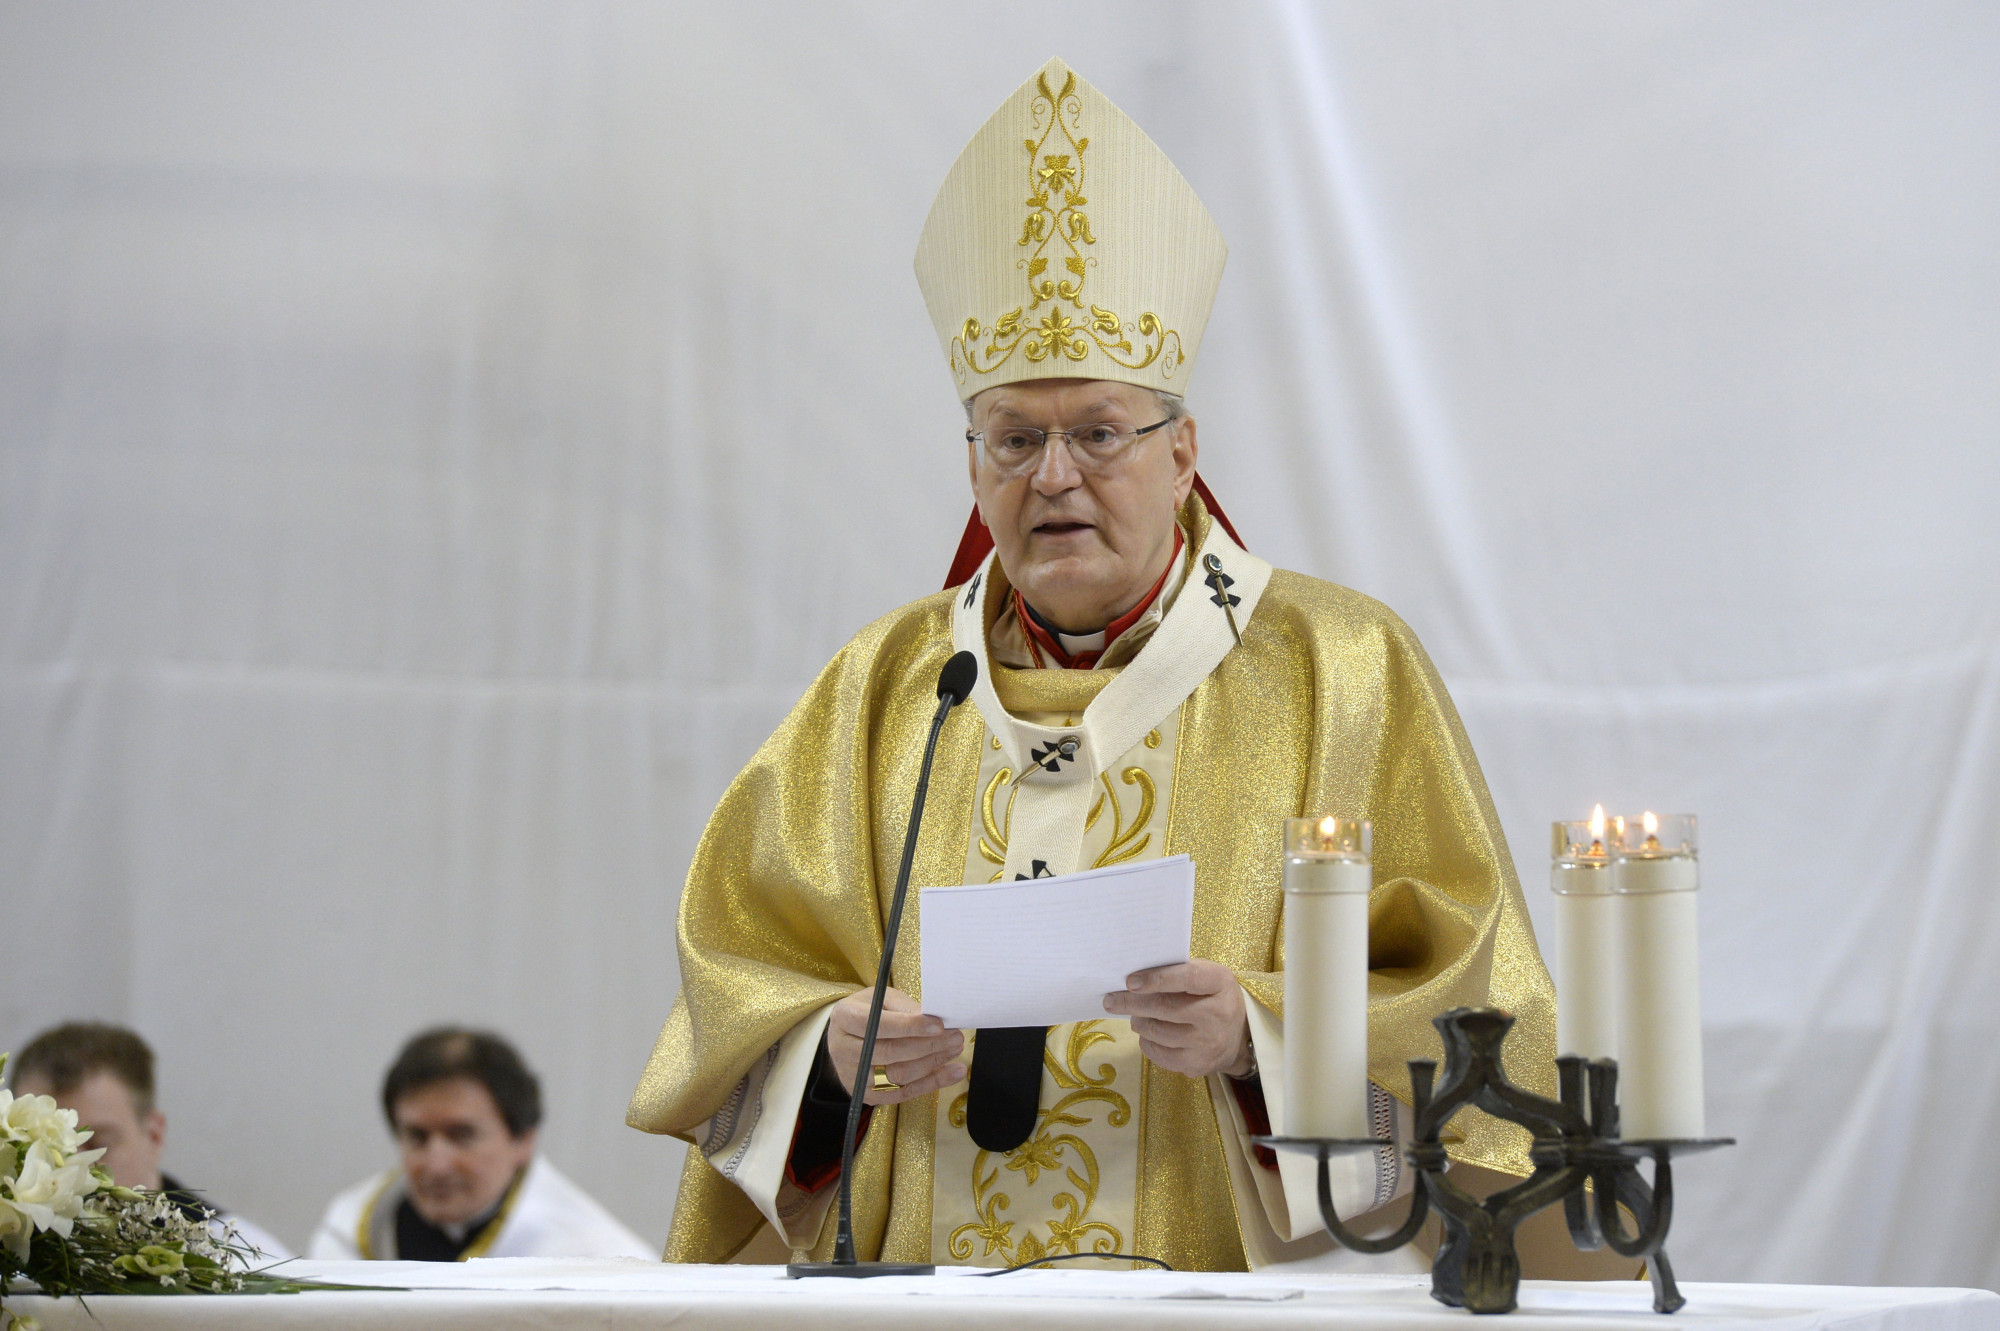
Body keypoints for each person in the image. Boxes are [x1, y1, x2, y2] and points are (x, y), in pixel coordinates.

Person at [627, 58, 1559, 1273]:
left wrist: (1266, 1036)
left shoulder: (1341, 666)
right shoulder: (887, 685)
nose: (1052, 476)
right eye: (1013, 437)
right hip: (927, 1288)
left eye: (1098, 432)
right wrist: (823, 1046)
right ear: (971, 467)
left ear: (1182, 457)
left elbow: (1475, 991)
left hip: (1225, 1287)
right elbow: (736, 969)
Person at [310, 1028, 653, 1261]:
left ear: (524, 1140)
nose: (436, 1164)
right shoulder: (353, 1231)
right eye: (417, 1137)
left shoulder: (594, 1259)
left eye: (462, 1136)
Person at [9, 1022, 291, 1258]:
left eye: (97, 1147)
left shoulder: (245, 1257)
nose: (73, 1173)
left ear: (154, 1135)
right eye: (48, 1151)